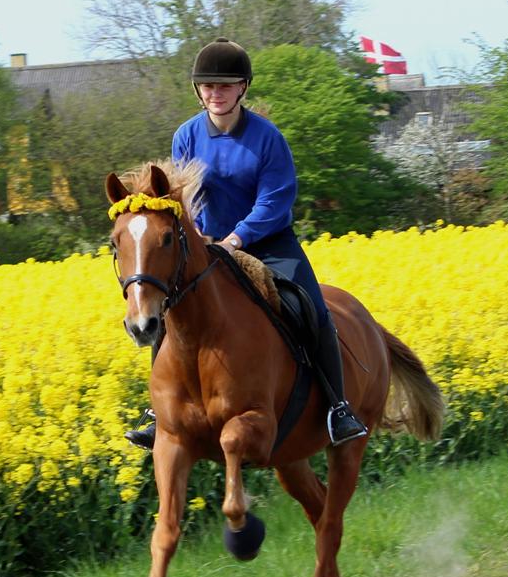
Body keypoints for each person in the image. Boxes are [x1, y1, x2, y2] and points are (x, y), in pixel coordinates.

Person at [125, 36, 368, 450]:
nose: (215, 93)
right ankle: (158, 415)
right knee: (167, 307)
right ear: (198, 91)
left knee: (310, 306)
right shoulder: (185, 136)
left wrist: (237, 238)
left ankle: (337, 407)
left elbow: (275, 198)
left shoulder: (267, 137)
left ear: (243, 88)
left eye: (225, 85)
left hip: (268, 241)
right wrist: (200, 234)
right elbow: (182, 196)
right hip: (205, 243)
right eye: (208, 86)